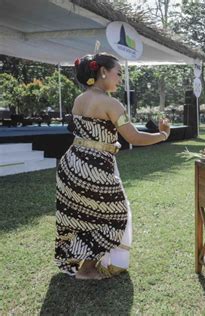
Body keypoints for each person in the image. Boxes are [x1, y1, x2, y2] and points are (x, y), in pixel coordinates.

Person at [55, 53, 171, 280]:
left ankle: (86, 265)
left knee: (84, 216)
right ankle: (87, 268)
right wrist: (163, 135)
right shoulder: (111, 103)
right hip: (94, 168)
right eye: (118, 73)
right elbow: (134, 137)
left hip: (72, 164)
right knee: (116, 215)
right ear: (103, 72)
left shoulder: (80, 99)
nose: (120, 79)